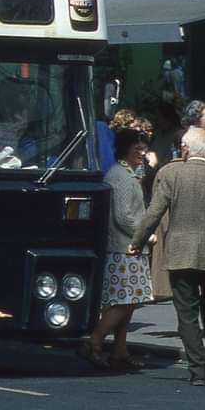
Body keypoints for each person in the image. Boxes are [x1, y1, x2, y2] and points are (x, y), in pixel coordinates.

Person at [128, 126, 205, 386]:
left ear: (185, 149)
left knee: (187, 312)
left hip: (181, 251)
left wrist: (137, 242)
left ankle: (197, 370)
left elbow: (153, 213)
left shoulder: (171, 176)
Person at [79, 128, 154, 370]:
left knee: (129, 302)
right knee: (123, 301)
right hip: (124, 249)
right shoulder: (120, 176)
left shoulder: (126, 173)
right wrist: (145, 234)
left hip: (129, 249)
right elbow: (123, 217)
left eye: (143, 148)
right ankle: (94, 340)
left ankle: (120, 351)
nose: (142, 153)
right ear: (125, 149)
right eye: (137, 148)